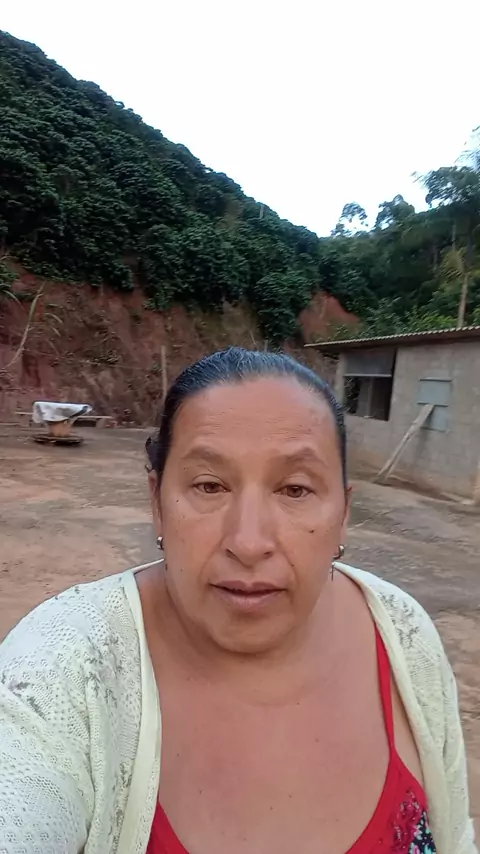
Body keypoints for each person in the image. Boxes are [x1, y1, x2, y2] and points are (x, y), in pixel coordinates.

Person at [0, 347, 476, 854]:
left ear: (343, 515)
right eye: (209, 485)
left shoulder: (404, 633)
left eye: (295, 489)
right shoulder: (64, 670)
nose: (248, 542)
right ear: (157, 503)